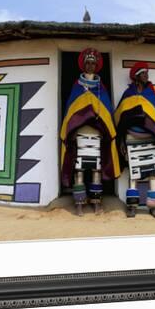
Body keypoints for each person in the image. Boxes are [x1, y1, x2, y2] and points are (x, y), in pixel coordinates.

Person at [60, 48, 120, 216]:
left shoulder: (101, 88)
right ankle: (79, 203)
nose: (91, 65)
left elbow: (106, 111)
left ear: (97, 65)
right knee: (79, 170)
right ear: (83, 65)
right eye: (88, 62)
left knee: (96, 170)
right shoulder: (77, 87)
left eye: (93, 63)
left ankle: (96, 203)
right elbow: (70, 111)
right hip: (79, 135)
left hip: (97, 135)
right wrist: (72, 128)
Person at [114, 62, 155, 218]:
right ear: (136, 77)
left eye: (147, 73)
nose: (146, 76)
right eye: (143, 73)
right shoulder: (128, 94)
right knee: (134, 173)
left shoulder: (151, 94)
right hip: (131, 138)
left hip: (152, 138)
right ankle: (132, 206)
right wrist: (122, 140)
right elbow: (120, 118)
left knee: (153, 173)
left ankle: (153, 206)